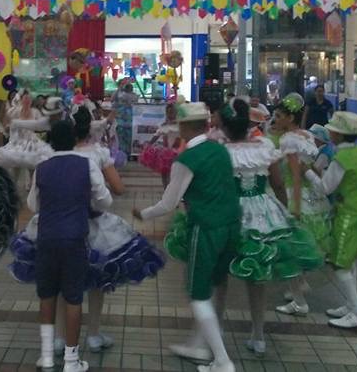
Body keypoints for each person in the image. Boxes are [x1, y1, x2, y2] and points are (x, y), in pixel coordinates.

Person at [9, 106, 162, 358]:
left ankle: (58, 339)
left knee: (57, 285)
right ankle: (92, 334)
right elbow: (113, 193)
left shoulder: (47, 160)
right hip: (93, 226)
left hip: (53, 226)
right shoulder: (96, 155)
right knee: (97, 281)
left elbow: (34, 204)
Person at [209, 99, 323, 357]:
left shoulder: (218, 151)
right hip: (262, 211)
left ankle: (217, 330)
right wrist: (285, 211)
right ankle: (258, 335)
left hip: (228, 212)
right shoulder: (265, 147)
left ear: (224, 126)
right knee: (257, 275)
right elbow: (278, 183)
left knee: (220, 274)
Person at [133, 102, 239, 372]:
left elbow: (169, 203)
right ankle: (198, 345)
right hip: (231, 225)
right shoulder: (220, 150)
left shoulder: (186, 159)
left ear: (183, 126)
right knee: (211, 285)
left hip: (205, 228)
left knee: (198, 293)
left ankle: (222, 361)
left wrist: (143, 214)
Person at [21, 119, 108, 372]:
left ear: (51, 141)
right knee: (73, 298)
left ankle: (47, 356)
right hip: (74, 238)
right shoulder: (87, 164)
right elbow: (105, 200)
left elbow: (33, 205)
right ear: (73, 139)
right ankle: (71, 360)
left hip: (46, 238)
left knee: (47, 296)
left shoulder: (42, 168)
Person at [301, 112, 357, 330]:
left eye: (332, 130)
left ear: (339, 135)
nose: (330, 132)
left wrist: (306, 172)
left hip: (349, 215)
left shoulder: (342, 158)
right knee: (349, 261)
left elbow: (325, 188)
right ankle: (350, 306)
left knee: (339, 264)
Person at [273, 93, 331, 318]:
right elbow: (313, 168)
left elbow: (296, 175)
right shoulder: (306, 135)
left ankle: (299, 301)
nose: (275, 120)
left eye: (279, 116)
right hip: (312, 198)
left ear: (290, 118)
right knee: (300, 244)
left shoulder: (288, 140)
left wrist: (294, 206)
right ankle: (300, 285)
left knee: (290, 248)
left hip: (294, 195)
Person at [140, 103, 182, 188]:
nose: (170, 115)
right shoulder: (164, 125)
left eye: (172, 112)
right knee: (164, 173)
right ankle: (166, 189)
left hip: (178, 152)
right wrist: (149, 145)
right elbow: (156, 135)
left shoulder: (181, 125)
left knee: (174, 173)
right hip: (166, 153)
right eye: (168, 112)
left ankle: (173, 189)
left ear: (176, 113)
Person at [111, 80, 137, 157]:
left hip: (128, 117)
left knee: (128, 134)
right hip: (121, 117)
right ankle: (122, 152)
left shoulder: (133, 95)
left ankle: (127, 152)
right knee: (120, 133)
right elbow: (112, 100)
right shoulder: (119, 93)